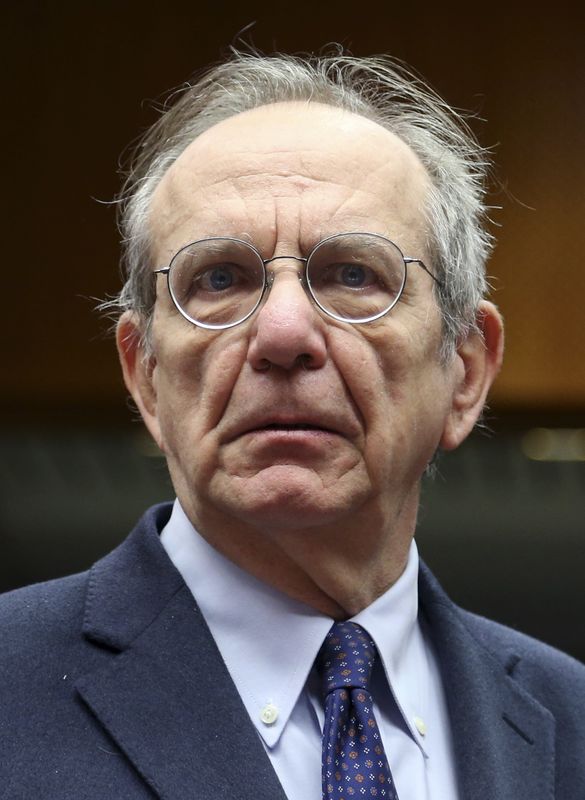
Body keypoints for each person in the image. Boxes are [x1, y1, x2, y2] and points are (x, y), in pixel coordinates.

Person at [1, 49, 584, 800]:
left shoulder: (568, 723)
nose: (281, 332)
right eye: (218, 279)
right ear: (145, 375)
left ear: (465, 371)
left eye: (352, 275)